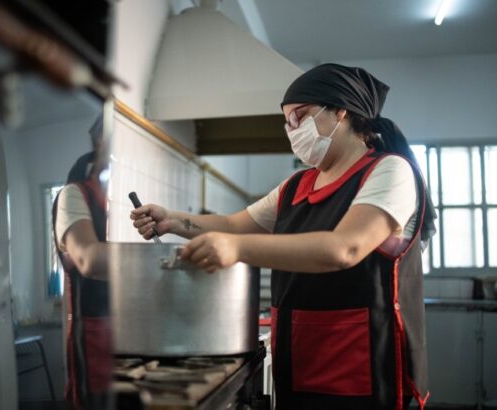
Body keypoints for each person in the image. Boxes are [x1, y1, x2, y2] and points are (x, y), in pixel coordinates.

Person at [130, 63, 437, 410]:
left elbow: (344, 248)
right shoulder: (296, 186)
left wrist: (237, 249)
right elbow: (232, 225)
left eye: (300, 117)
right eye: (287, 122)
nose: (292, 130)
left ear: (340, 111)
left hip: (359, 368)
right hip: (298, 360)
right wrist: (172, 220)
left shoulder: (389, 171)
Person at [52, 116, 112, 410]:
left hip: (131, 332)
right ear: (101, 142)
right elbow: (89, 259)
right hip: (95, 336)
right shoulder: (74, 196)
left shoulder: (118, 201)